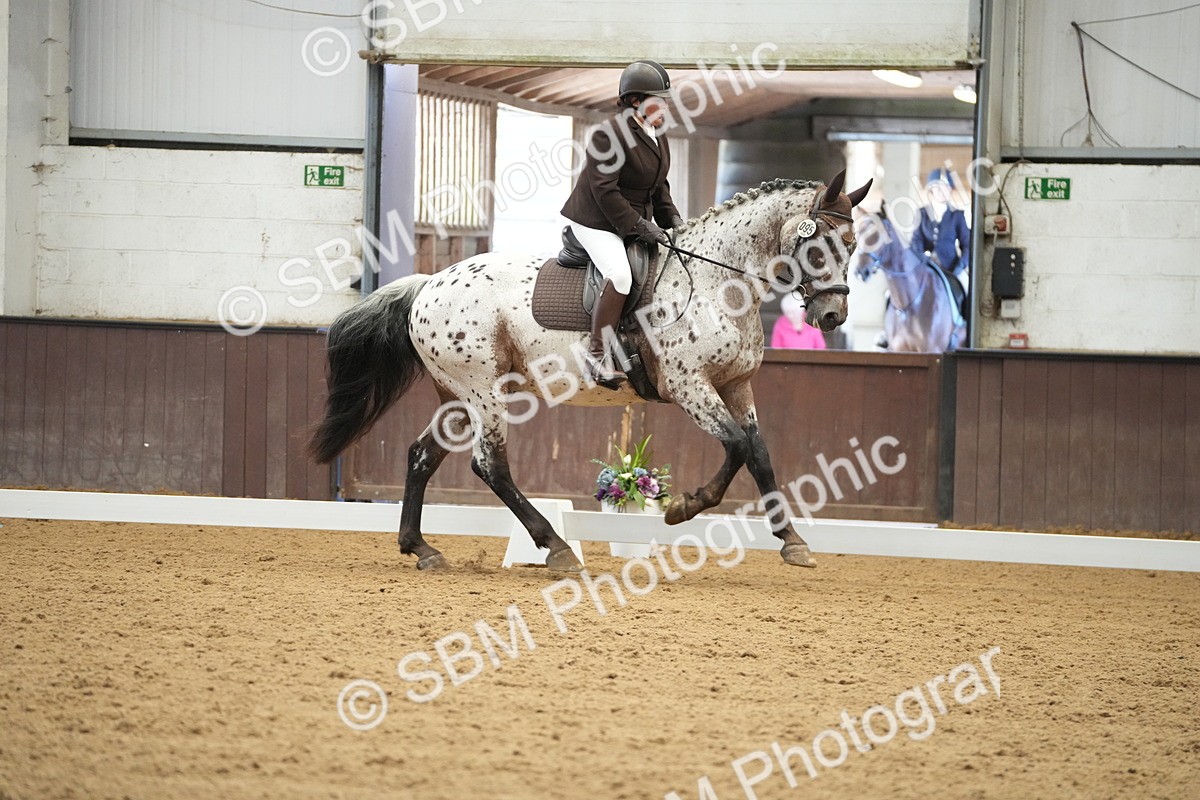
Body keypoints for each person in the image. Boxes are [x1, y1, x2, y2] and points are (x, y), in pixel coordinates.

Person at [561, 59, 686, 388]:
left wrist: (674, 222)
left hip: (631, 221)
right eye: (659, 101)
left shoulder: (656, 134)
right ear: (635, 101)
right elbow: (605, 192)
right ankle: (596, 356)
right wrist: (643, 227)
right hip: (597, 221)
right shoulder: (608, 135)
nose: (665, 108)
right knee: (619, 274)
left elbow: (659, 187)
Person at [911, 168, 970, 286]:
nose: (941, 191)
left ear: (949, 190)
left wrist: (959, 267)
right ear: (931, 190)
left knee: (967, 288)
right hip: (927, 268)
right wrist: (922, 261)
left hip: (951, 269)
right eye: (937, 187)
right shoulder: (922, 213)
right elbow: (916, 242)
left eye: (944, 188)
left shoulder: (957, 215)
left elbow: (967, 245)